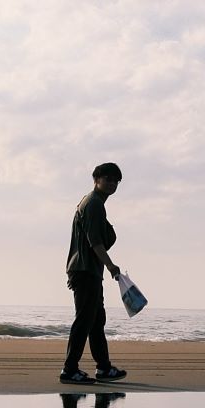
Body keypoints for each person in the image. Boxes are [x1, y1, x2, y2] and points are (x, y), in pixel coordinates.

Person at [62, 163, 128, 385]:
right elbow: (95, 242)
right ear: (96, 179)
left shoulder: (94, 203)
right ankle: (70, 370)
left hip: (88, 270)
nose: (112, 183)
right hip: (84, 269)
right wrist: (110, 265)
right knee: (84, 320)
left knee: (96, 320)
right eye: (107, 179)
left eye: (115, 181)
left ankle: (104, 368)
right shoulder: (93, 204)